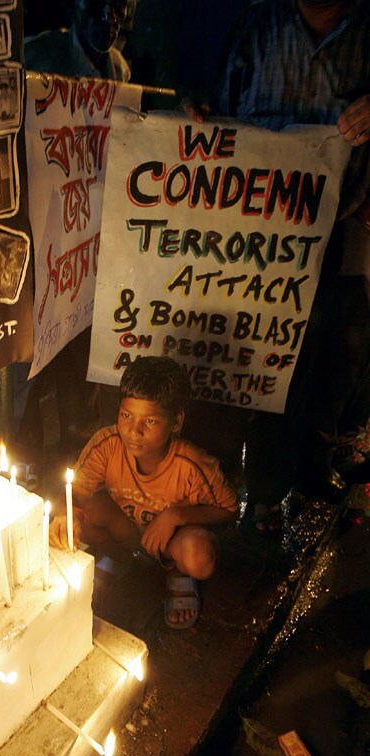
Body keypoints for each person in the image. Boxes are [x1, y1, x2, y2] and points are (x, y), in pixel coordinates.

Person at [182, 0, 370, 533]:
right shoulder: (255, 24)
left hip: (323, 230)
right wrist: (197, 112)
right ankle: (209, 497)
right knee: (221, 354)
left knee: (289, 365)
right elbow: (215, 105)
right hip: (239, 231)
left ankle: (265, 495)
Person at [14, 0, 132, 467]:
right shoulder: (37, 56)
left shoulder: (118, 67)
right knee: (32, 354)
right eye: (99, 7)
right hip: (44, 229)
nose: (109, 20)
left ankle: (74, 459)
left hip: (88, 235)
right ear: (76, 6)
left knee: (80, 345)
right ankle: (20, 460)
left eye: (119, 10)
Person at [49, 356, 239, 628]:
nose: (133, 431)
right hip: (126, 532)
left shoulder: (192, 464)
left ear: (175, 422)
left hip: (171, 542)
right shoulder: (108, 443)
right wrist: (65, 515)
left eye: (149, 421)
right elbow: (75, 492)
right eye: (126, 415)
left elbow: (229, 509)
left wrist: (175, 516)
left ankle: (178, 574)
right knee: (85, 512)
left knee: (201, 557)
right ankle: (118, 561)